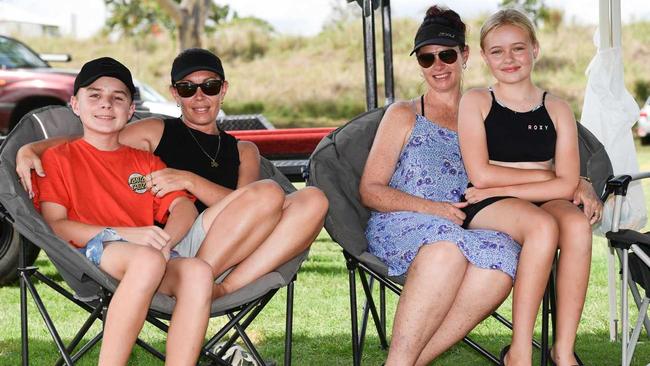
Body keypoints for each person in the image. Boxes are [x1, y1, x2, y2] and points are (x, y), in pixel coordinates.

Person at [360, 5, 601, 366]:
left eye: (446, 54)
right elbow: (371, 191)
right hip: (414, 219)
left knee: (498, 267)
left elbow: (522, 153)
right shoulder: (405, 114)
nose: (438, 65)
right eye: (426, 58)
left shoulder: (487, 106)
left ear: (466, 55)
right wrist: (436, 209)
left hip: (475, 222)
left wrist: (577, 181)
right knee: (446, 248)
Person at [17, 48, 328, 300]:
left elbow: (247, 203)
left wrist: (189, 180)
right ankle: (198, 279)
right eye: (187, 88)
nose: (199, 97)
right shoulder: (156, 130)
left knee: (313, 198)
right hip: (175, 248)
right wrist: (33, 148)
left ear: (224, 90)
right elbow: (97, 138)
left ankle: (221, 289)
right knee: (270, 192)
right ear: (175, 94)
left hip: (240, 246)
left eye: (210, 86)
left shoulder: (245, 150)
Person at [32, 57, 214, 365]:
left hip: (149, 254)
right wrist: (126, 235)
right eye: (95, 95)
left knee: (198, 272)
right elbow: (56, 225)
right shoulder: (57, 159)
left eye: (118, 98)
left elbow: (183, 206)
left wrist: (165, 240)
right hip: (90, 253)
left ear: (130, 111)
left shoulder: (144, 161)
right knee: (146, 259)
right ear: (75, 104)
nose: (106, 104)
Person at [458, 9, 594, 366]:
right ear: (485, 56)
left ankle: (563, 351)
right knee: (541, 226)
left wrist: (558, 182)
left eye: (518, 48)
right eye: (498, 51)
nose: (509, 59)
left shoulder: (558, 108)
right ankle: (519, 352)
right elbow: (481, 175)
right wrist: (548, 176)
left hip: (539, 198)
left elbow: (567, 183)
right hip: (489, 203)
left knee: (578, 226)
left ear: (535, 49)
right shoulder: (476, 102)